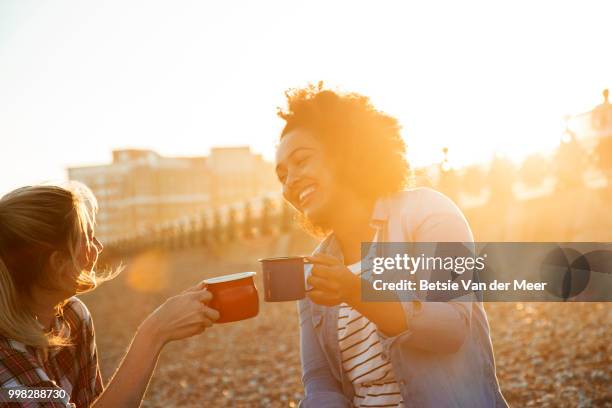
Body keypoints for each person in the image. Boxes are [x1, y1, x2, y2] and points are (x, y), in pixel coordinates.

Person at [275, 84, 508, 407]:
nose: (290, 181)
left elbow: (451, 328)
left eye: (301, 161)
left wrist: (355, 292)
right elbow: (320, 380)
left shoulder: (428, 212)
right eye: (282, 175)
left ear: (346, 152)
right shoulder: (315, 267)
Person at [0, 183, 219, 407]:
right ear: (58, 263)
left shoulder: (73, 316)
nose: (98, 246)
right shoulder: (5, 359)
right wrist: (153, 333)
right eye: (86, 238)